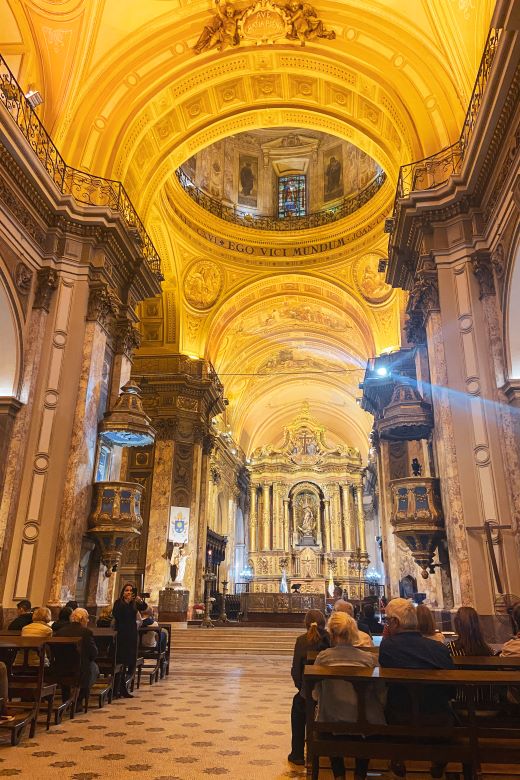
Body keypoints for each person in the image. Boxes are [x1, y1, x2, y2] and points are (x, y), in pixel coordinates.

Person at [379, 597, 454, 779]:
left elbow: (386, 684)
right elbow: (451, 691)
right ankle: (438, 763)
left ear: (396, 622)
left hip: (399, 717)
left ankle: (397, 759)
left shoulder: (388, 646)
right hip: (439, 717)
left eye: (388, 621)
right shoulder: (439, 648)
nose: (387, 625)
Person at [313, 611, 384, 780]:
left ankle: (339, 774)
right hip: (365, 723)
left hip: (331, 721)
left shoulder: (323, 658)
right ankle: (360, 774)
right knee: (367, 719)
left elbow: (315, 693)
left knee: (327, 716)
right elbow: (381, 693)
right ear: (354, 633)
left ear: (331, 634)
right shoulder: (368, 659)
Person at [288, 609, 330, 766]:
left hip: (309, 694)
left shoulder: (302, 640)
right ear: (324, 622)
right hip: (329, 693)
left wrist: (302, 689)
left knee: (298, 703)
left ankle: (297, 753)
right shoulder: (330, 639)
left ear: (306, 623)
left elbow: (296, 671)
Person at [112, 583, 147, 698]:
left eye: (130, 591)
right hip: (121, 634)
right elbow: (117, 615)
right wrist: (126, 602)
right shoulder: (118, 603)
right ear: (122, 592)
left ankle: (122, 688)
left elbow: (144, 607)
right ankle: (117, 689)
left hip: (131, 635)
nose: (128, 592)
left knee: (129, 662)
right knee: (121, 661)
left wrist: (139, 600)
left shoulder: (134, 603)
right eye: (126, 590)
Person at [55, 608, 99, 698]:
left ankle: (66, 698)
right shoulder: (86, 632)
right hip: (80, 669)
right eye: (87, 618)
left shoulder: (60, 632)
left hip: (62, 667)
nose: (88, 620)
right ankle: (80, 698)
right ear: (83, 619)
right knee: (93, 667)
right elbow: (93, 653)